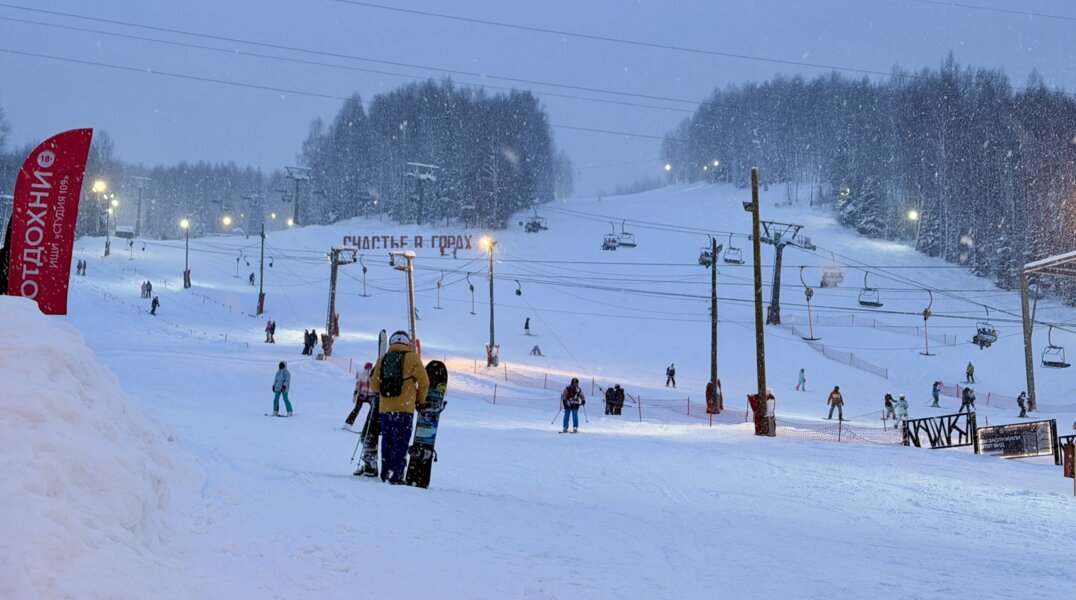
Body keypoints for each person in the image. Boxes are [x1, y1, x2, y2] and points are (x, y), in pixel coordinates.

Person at [370, 330, 429, 484]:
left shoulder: (382, 359)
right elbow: (424, 382)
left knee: (387, 442)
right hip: (404, 410)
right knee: (400, 443)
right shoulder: (412, 358)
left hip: (385, 410)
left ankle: (385, 474)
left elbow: (375, 386)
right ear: (406, 342)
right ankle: (395, 476)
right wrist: (420, 400)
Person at [345, 362, 375, 429]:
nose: (369, 369)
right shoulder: (362, 375)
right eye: (368, 368)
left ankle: (375, 427)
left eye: (370, 368)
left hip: (371, 396)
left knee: (374, 411)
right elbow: (358, 385)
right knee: (357, 409)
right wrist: (355, 393)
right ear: (365, 368)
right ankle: (348, 423)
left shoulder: (373, 375)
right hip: (362, 395)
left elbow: (375, 385)